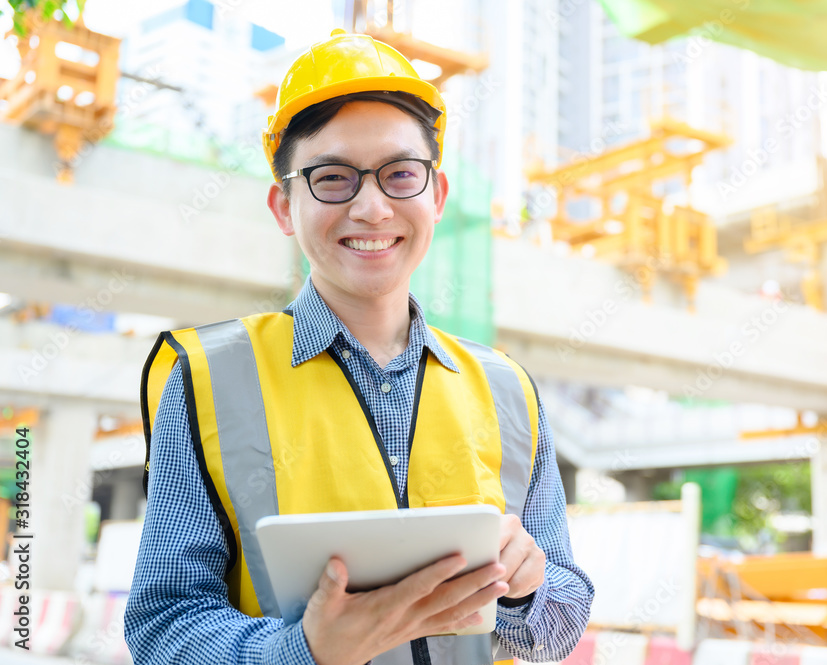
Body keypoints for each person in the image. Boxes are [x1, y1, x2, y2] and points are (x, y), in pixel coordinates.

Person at [124, 29, 593, 665]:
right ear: (284, 206)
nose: (371, 207)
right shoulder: (207, 377)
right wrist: (304, 651)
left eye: (401, 174)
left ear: (437, 195)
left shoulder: (507, 388)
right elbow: (162, 627)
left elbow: (561, 620)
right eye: (333, 178)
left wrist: (524, 589)